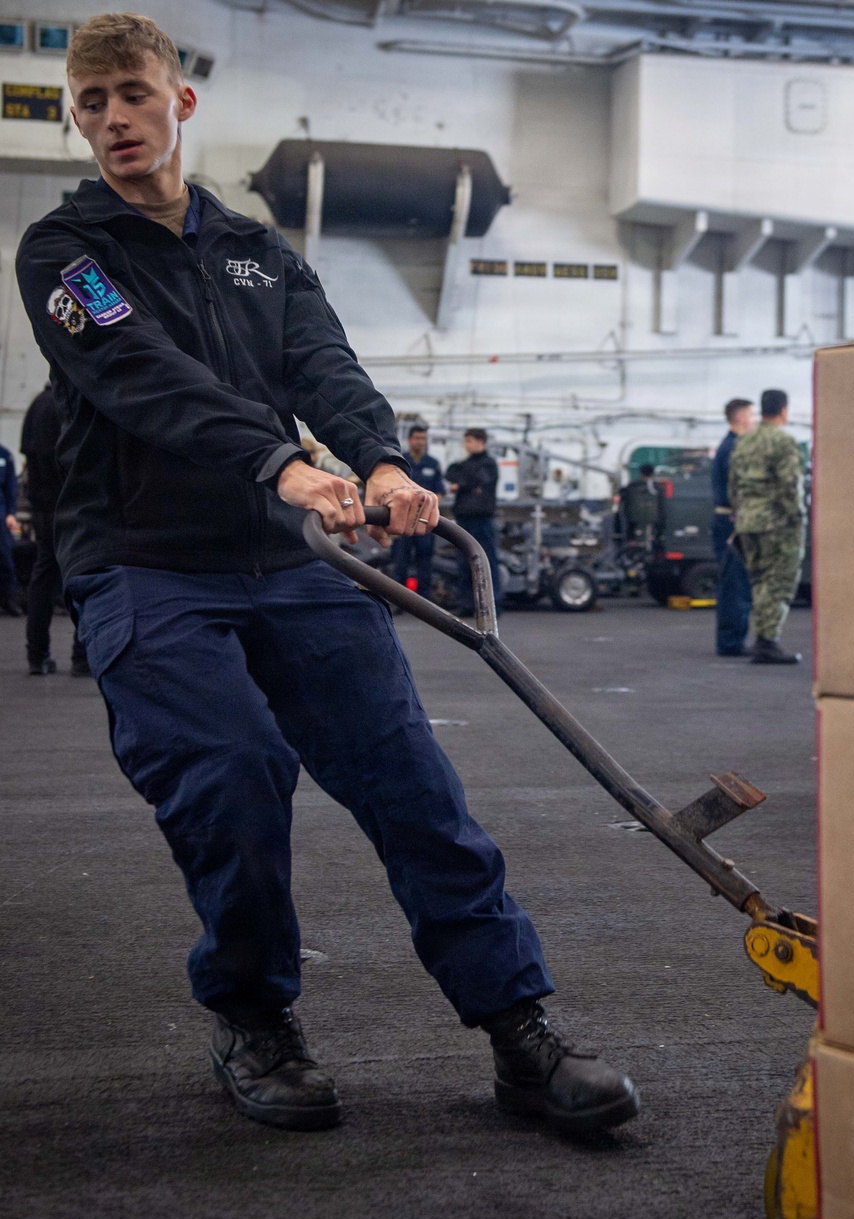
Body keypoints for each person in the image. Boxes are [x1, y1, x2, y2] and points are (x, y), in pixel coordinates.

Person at [16, 13, 638, 1136]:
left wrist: (385, 459)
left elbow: (324, 366)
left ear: (179, 103)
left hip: (286, 558)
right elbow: (136, 375)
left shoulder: (257, 246)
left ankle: (517, 1027)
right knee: (235, 774)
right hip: (151, 568)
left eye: (132, 94)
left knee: (411, 781)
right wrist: (281, 461)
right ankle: (254, 1015)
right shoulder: (65, 256)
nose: (113, 119)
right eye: (92, 102)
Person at [728, 389, 805, 665]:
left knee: (759, 581)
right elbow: (789, 485)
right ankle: (767, 641)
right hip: (777, 523)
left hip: (748, 522)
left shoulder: (744, 442)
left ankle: (763, 639)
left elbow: (733, 485)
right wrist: (797, 517)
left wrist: (741, 514)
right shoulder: (783, 442)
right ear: (784, 410)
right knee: (780, 582)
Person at [20, 381, 91, 675]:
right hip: (69, 503)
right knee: (84, 573)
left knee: (43, 573)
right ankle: (82, 655)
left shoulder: (37, 405)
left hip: (43, 505)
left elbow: (29, 453)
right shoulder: (69, 403)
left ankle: (37, 653)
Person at [711, 399, 755, 657]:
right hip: (731, 521)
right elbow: (737, 489)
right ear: (739, 417)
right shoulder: (733, 448)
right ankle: (730, 642)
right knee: (735, 584)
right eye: (751, 414)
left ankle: (732, 639)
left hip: (727, 520)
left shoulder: (729, 446)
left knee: (735, 582)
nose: (754, 420)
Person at [445, 429, 504, 617]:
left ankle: (493, 605)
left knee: (486, 562)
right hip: (464, 519)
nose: (466, 445)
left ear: (481, 442)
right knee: (464, 563)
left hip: (482, 520)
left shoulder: (489, 464)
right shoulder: (466, 464)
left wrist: (461, 485)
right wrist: (469, 485)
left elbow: (480, 478)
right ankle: (467, 604)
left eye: (469, 441)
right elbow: (451, 473)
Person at [394, 422, 444, 598]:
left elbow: (439, 493)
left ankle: (424, 599)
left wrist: (429, 508)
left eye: (423, 438)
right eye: (417, 438)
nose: (421, 442)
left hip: (425, 520)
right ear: (409, 440)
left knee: (425, 558)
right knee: (400, 559)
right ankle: (399, 599)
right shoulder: (399, 462)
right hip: (402, 518)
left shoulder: (433, 463)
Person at [619, 463, 666, 545]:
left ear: (641, 473)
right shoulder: (658, 487)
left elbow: (623, 499)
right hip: (655, 520)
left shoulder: (632, 486)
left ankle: (631, 543)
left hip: (633, 520)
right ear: (652, 473)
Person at [0, 440, 21, 617]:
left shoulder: (4, 455)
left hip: (1, 514)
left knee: (5, 557)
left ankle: (8, 598)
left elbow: (11, 487)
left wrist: (11, 513)